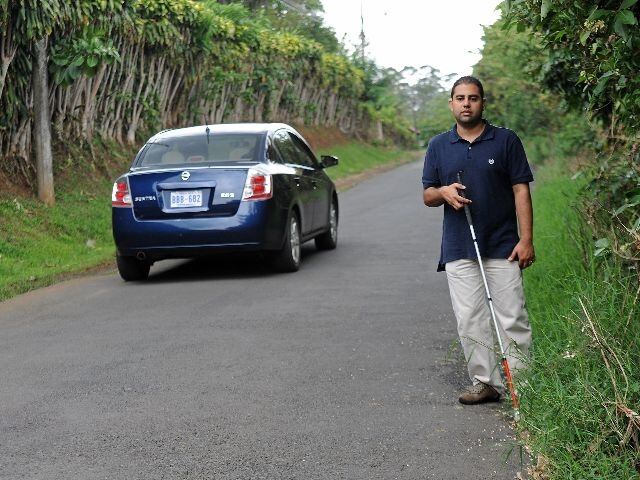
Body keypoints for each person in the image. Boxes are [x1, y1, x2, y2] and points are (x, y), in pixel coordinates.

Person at [422, 76, 534, 405]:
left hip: (503, 244)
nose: (466, 104)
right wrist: (444, 192)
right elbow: (428, 195)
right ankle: (485, 383)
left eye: (473, 98)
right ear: (451, 104)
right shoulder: (438, 145)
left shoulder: (506, 140)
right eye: (460, 98)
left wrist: (526, 239)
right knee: (470, 319)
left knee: (512, 317)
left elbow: (521, 190)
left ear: (483, 103)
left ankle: (523, 387)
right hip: (459, 246)